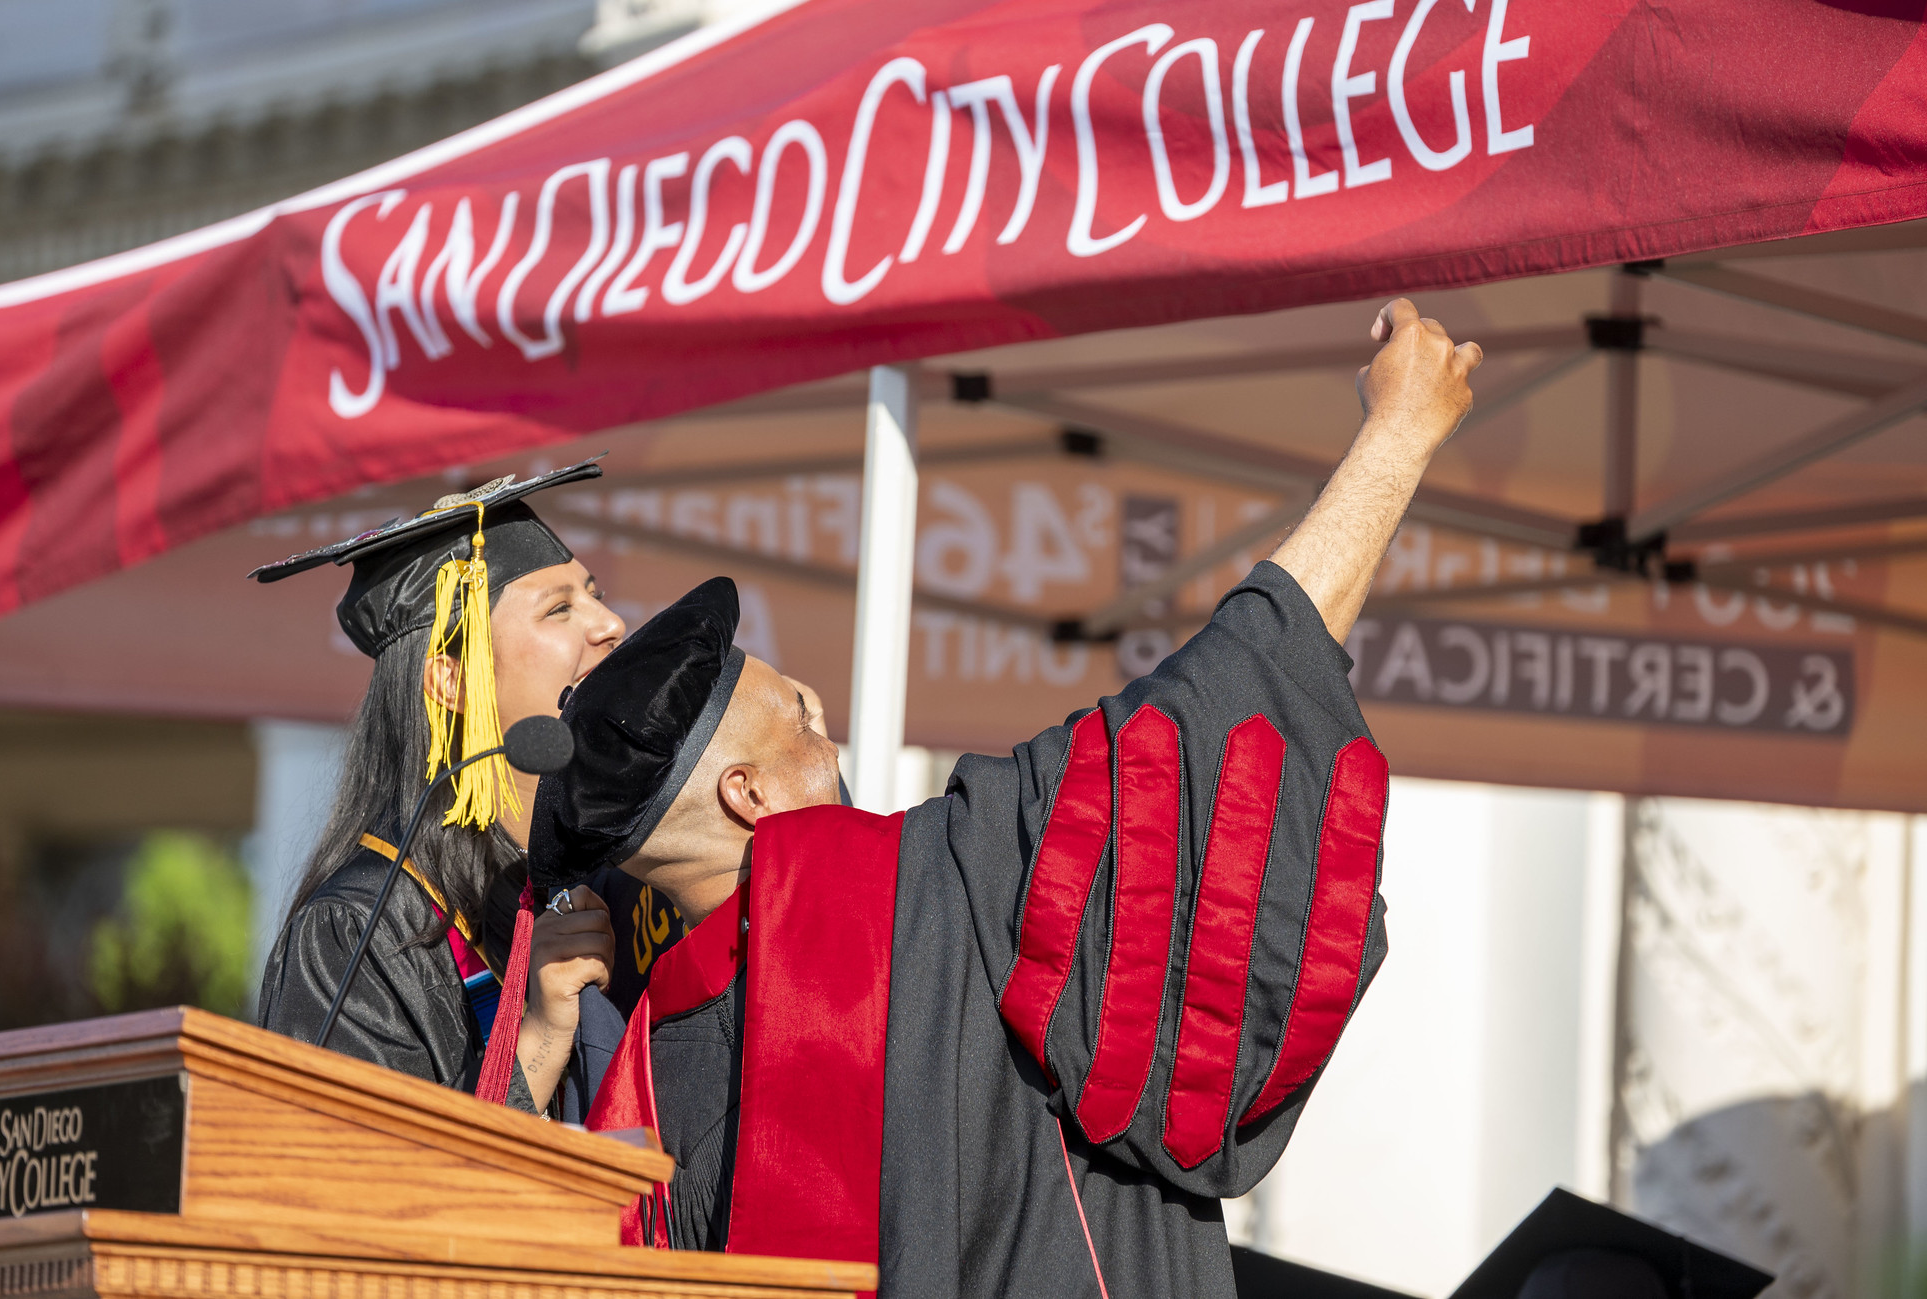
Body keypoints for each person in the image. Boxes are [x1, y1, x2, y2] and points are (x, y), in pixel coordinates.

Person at [528, 299, 1480, 1295]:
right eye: (801, 717)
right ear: (747, 793)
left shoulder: (641, 1097)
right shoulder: (954, 881)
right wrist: (1395, 437)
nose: (825, 716)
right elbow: (1227, 702)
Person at [253, 462, 627, 1119]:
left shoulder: (573, 883)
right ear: (451, 681)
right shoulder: (353, 934)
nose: (610, 623)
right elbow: (366, 1201)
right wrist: (536, 1041)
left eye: (594, 593)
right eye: (561, 608)